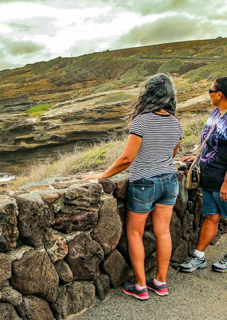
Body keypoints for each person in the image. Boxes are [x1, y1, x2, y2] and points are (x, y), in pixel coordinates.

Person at [82, 73, 183, 300]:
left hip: (145, 182)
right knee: (163, 231)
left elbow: (128, 158)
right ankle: (160, 282)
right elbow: (172, 153)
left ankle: (140, 286)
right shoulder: (176, 123)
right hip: (169, 180)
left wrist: (104, 174)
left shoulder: (142, 121)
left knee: (135, 233)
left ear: (149, 93)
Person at [180, 77, 227, 273]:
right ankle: (199, 256)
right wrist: (198, 156)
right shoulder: (216, 113)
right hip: (211, 177)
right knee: (211, 216)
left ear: (219, 93)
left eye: (210, 90)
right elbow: (210, 141)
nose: (209, 94)